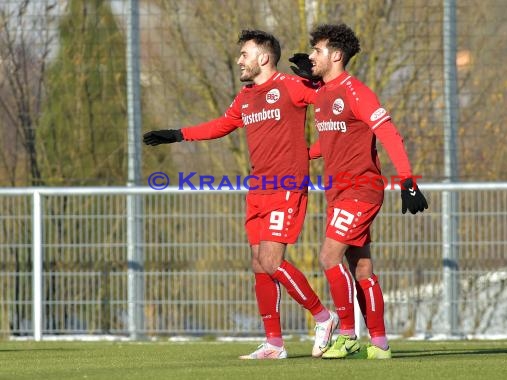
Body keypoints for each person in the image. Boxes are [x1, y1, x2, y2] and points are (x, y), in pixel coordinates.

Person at [143, 30, 338, 360]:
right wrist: (178, 134)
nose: (239, 60)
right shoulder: (246, 97)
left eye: (244, 54)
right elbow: (222, 125)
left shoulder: (291, 86)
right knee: (259, 266)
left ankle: (323, 316)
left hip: (287, 187)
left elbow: (335, 104)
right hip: (258, 189)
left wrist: (318, 82)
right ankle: (274, 344)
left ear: (263, 57)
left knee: (272, 261)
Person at [291, 23, 428, 359]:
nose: (311, 57)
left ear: (336, 55)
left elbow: (390, 134)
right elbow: (327, 144)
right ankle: (379, 344)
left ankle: (348, 334)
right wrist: (289, 160)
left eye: (317, 51)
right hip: (339, 192)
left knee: (328, 257)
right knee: (362, 268)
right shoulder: (322, 94)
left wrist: (407, 181)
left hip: (362, 190)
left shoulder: (356, 92)